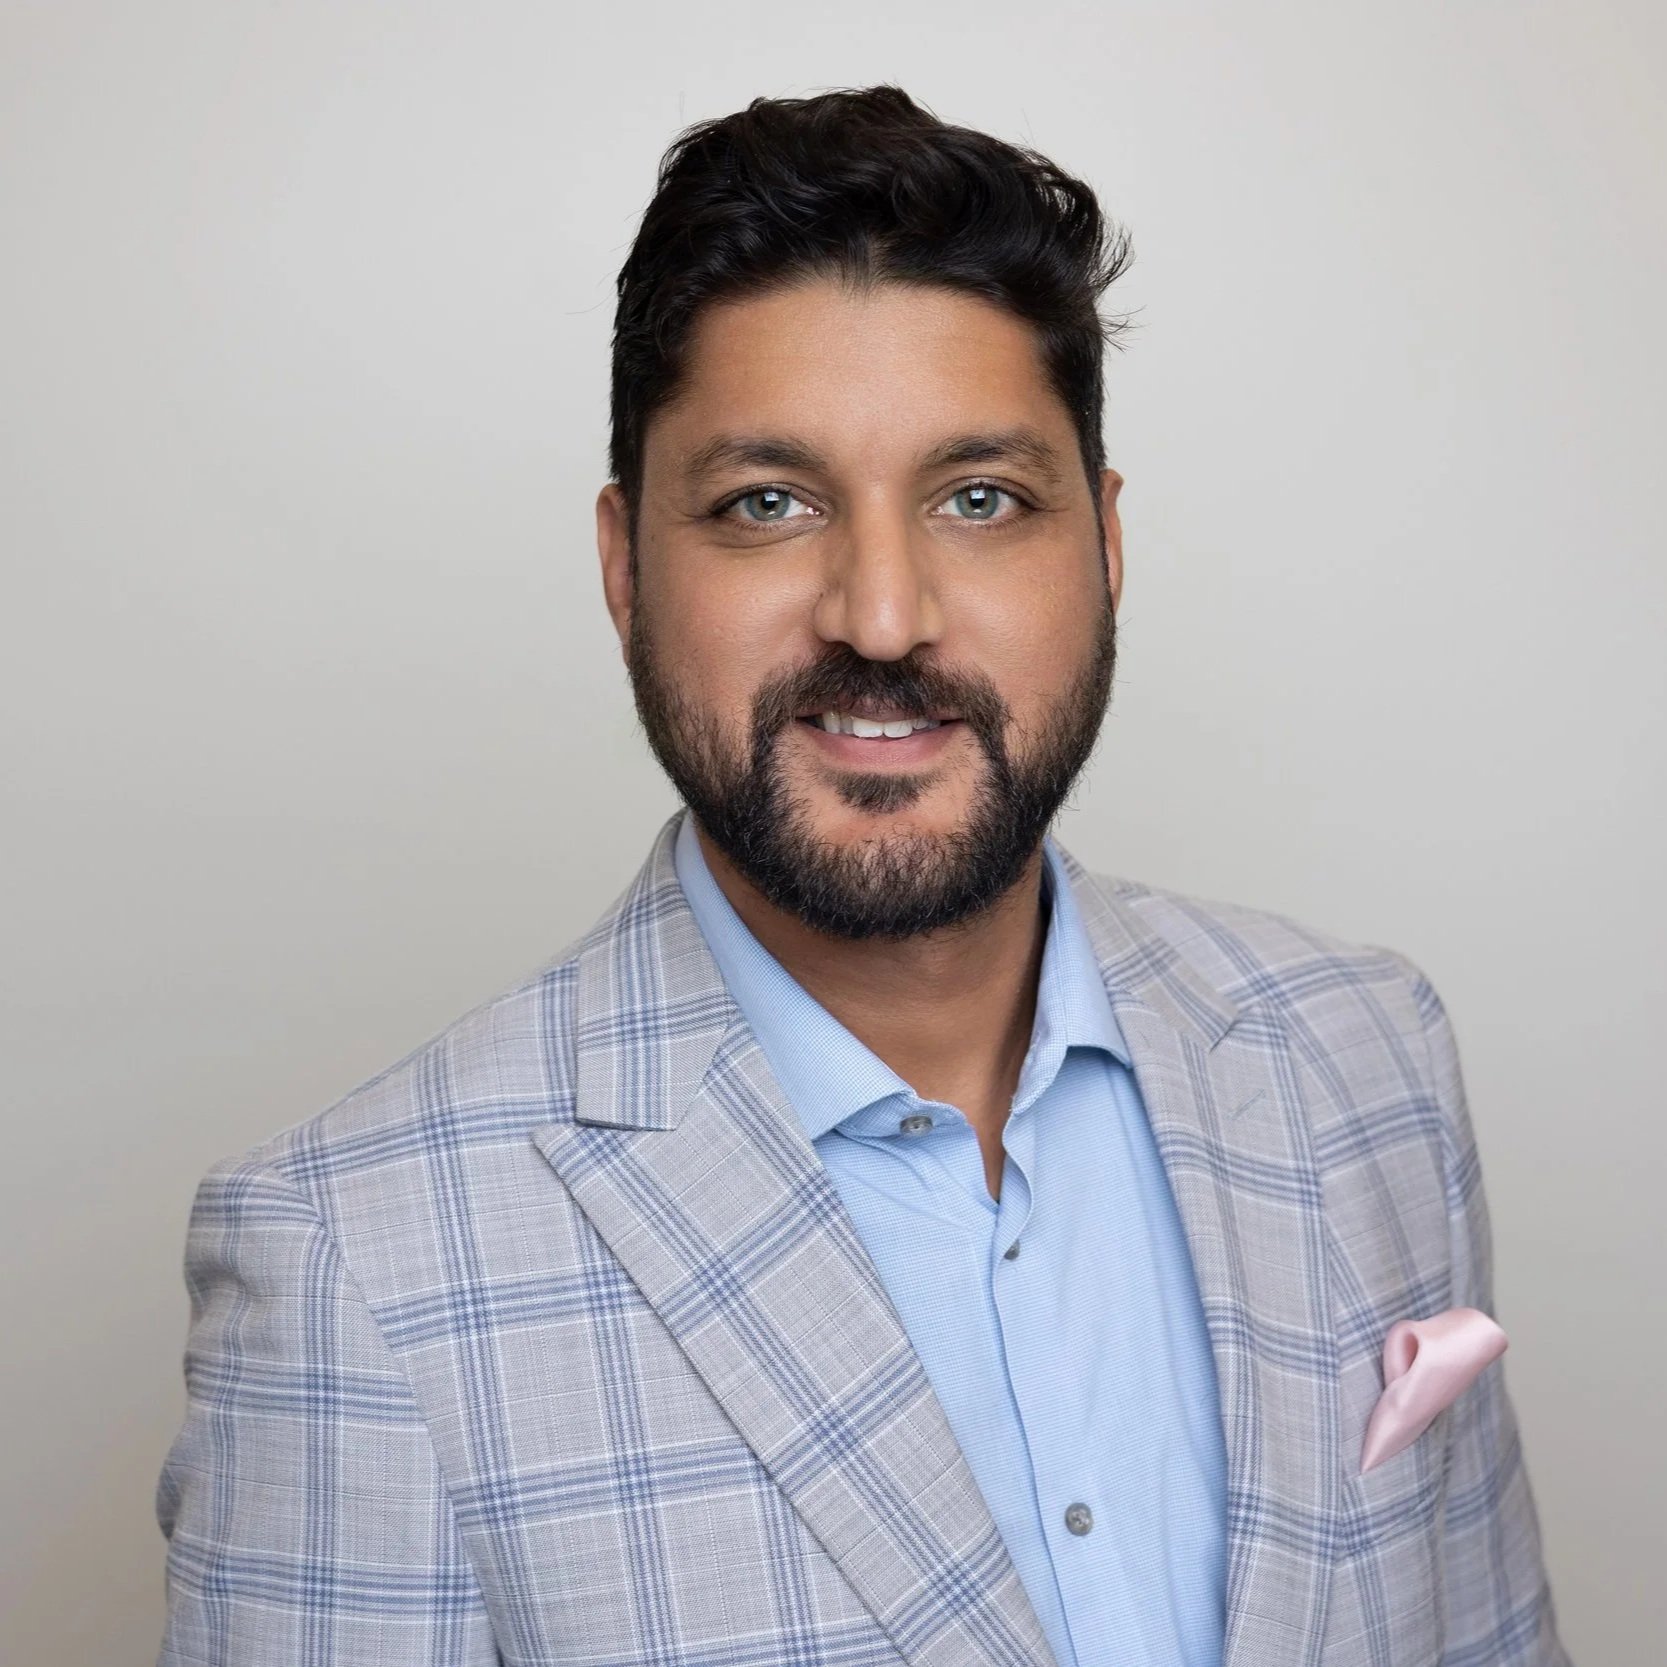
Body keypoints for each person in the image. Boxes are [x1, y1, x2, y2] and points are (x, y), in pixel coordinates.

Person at [155, 84, 1568, 1667]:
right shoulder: (356, 1260)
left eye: (981, 498)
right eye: (769, 504)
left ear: (1104, 547)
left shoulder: (1367, 1060)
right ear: (626, 565)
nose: (882, 617)